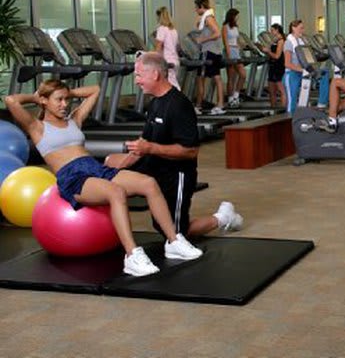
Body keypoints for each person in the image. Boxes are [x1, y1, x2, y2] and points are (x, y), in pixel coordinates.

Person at [4, 81, 203, 277]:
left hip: (95, 168)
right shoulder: (37, 127)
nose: (65, 104)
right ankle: (132, 255)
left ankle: (174, 241)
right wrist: (37, 95)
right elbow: (11, 100)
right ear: (44, 101)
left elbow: (95, 90)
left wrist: (66, 92)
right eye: (59, 100)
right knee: (115, 192)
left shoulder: (75, 119)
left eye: (67, 100)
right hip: (73, 177)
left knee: (148, 183)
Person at [106, 52, 244, 236]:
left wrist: (150, 148)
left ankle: (222, 218)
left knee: (175, 233)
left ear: (155, 74)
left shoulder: (179, 105)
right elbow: (144, 143)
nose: (136, 81)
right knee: (109, 162)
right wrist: (118, 167)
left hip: (177, 174)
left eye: (139, 75)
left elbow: (191, 151)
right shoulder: (155, 103)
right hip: (154, 165)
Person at [193, 0, 225, 115]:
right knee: (217, 78)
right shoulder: (208, 17)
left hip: (208, 52)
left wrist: (202, 39)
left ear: (201, 7)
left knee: (200, 79)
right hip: (215, 52)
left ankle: (198, 106)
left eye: (196, 8)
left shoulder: (208, 18)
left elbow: (217, 33)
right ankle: (220, 104)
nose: (195, 10)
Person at [222, 8, 246, 108]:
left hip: (236, 51)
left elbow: (236, 40)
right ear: (232, 16)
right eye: (236, 16)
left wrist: (240, 47)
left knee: (242, 75)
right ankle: (230, 99)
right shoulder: (225, 27)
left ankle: (236, 95)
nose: (238, 18)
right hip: (229, 51)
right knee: (231, 77)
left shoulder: (235, 27)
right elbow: (226, 42)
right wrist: (229, 56)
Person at [154, 6, 181, 90]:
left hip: (167, 61)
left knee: (172, 84)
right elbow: (176, 46)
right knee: (170, 84)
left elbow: (158, 47)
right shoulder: (173, 30)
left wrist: (154, 60)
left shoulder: (161, 29)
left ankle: (181, 101)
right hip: (175, 60)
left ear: (159, 17)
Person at [262, 23, 287, 108]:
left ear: (277, 30)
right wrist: (264, 50)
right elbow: (270, 51)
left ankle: (284, 109)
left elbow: (277, 56)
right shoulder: (274, 40)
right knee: (271, 90)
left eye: (272, 30)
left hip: (278, 66)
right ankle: (273, 107)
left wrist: (268, 51)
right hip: (272, 65)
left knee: (281, 90)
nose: (271, 32)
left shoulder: (281, 41)